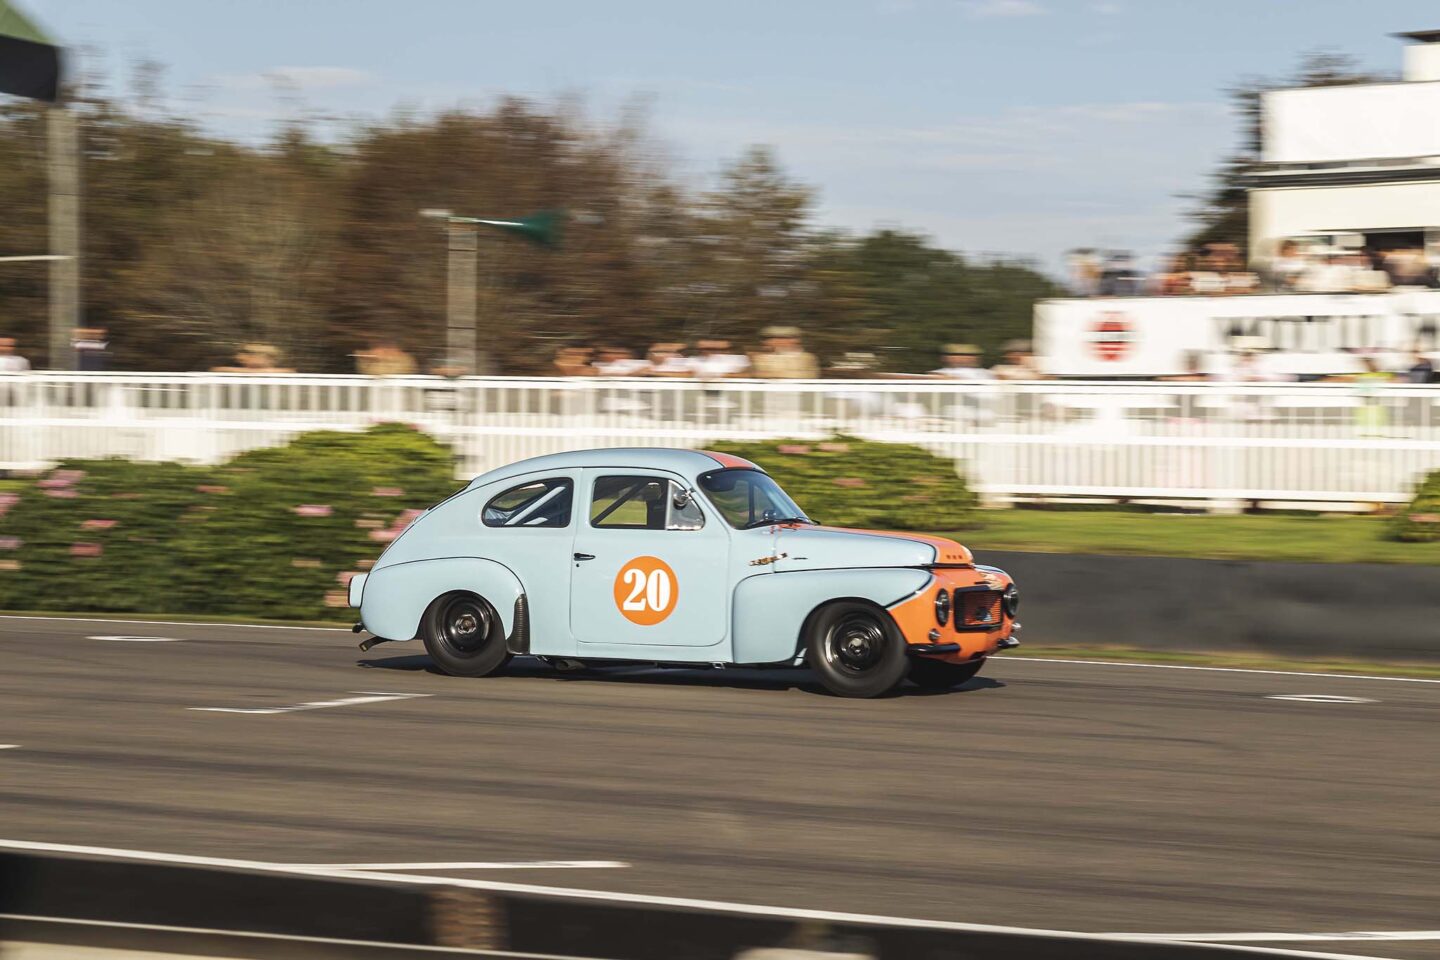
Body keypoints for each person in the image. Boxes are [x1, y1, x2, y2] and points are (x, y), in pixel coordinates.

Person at [750, 326, 819, 379]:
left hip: (798, 394)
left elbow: (809, 375)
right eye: (772, 339)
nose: (777, 341)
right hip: (769, 393)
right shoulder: (761, 358)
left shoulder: (806, 357)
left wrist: (774, 375)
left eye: (782, 338)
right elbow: (756, 374)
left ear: (795, 340)